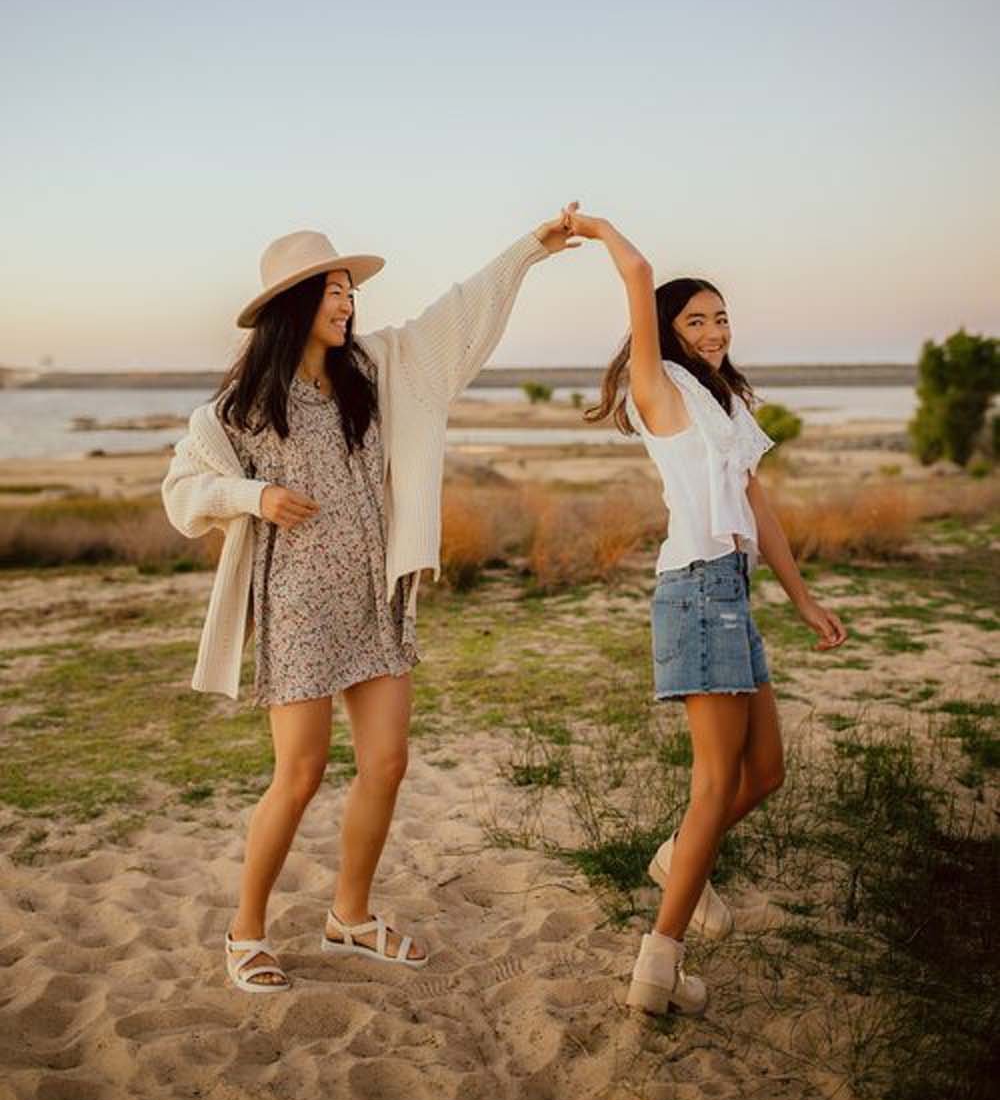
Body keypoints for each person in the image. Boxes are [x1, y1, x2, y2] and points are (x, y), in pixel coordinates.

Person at [162, 209, 579, 993]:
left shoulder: (377, 371)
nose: (346, 301)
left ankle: (349, 916)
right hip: (298, 603)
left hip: (373, 593)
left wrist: (529, 250)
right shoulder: (243, 405)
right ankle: (244, 930)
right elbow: (184, 489)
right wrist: (255, 494)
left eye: (348, 287)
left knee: (387, 762)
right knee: (302, 770)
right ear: (293, 306)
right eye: (329, 289)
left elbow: (457, 314)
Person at [571, 212, 846, 1017]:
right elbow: (639, 271)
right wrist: (593, 228)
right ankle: (658, 969)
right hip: (694, 589)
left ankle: (676, 858)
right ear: (665, 331)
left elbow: (758, 506)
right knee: (716, 781)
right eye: (696, 319)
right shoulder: (658, 387)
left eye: (722, 316)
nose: (715, 329)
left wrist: (802, 598)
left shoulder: (726, 405)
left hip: (732, 589)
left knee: (765, 774)